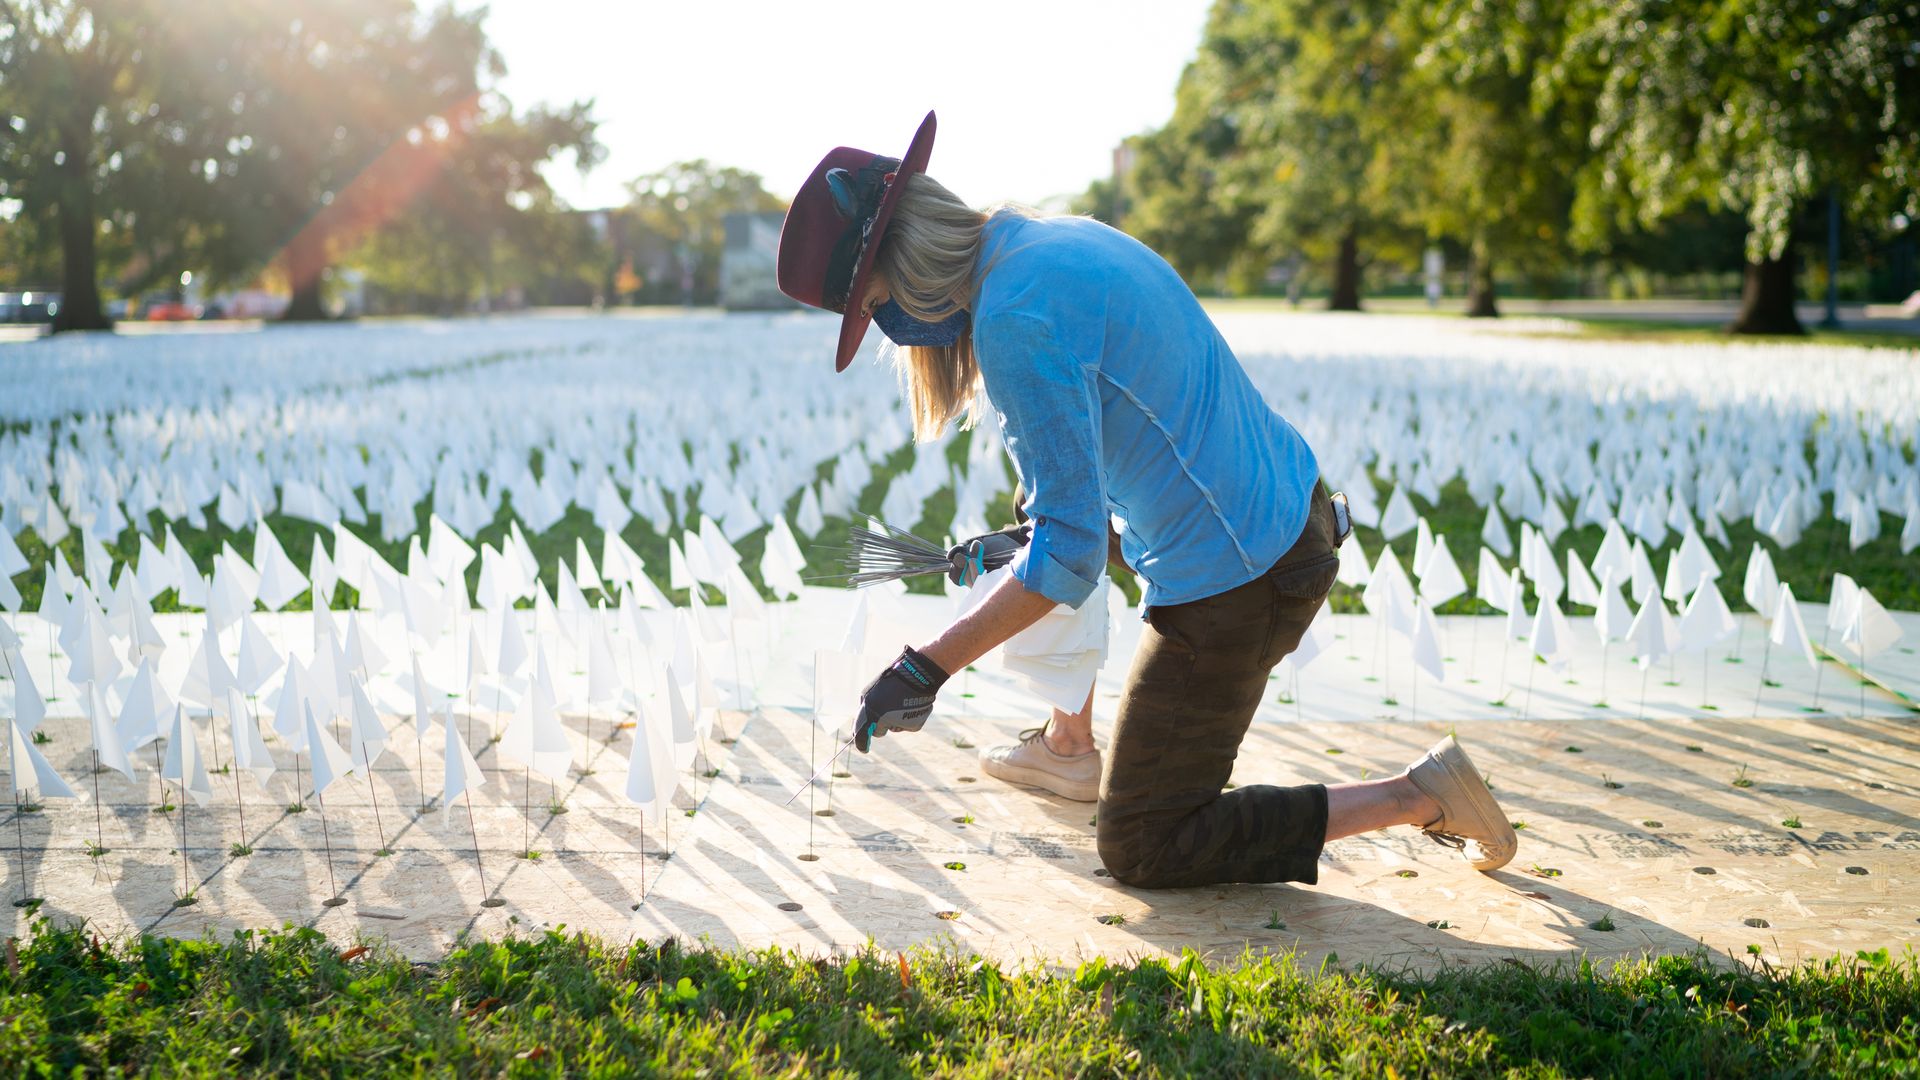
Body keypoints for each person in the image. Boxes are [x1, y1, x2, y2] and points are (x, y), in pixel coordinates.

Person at [775, 112, 1517, 887]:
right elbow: (1121, 461)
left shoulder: (1012, 319)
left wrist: (925, 668)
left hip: (1244, 575)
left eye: (876, 304)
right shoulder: (1049, 243)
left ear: (907, 268)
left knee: (1144, 843)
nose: (890, 330)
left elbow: (1069, 551)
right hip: (1286, 514)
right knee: (1047, 535)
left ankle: (1417, 796)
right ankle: (1078, 745)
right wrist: (1025, 540)